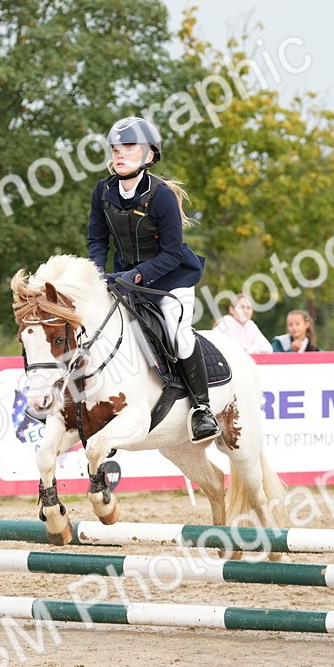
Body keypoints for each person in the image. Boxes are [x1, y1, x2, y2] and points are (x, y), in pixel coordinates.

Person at [87, 116, 219, 442]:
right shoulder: (102, 191)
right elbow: (97, 241)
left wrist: (133, 275)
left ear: (149, 155)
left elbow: (172, 254)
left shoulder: (161, 196)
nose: (119, 153)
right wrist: (97, 274)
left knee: (178, 333)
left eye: (129, 147)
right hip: (123, 278)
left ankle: (202, 409)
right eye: (115, 147)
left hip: (170, 279)